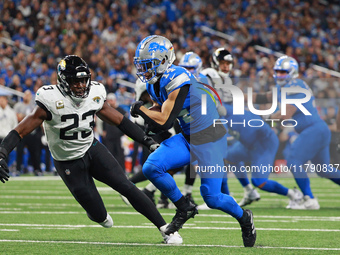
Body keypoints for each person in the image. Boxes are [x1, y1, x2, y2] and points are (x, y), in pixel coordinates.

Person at [0, 55, 182, 244]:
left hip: (92, 149)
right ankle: (97, 214)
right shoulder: (50, 100)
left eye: (83, 80)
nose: (80, 85)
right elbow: (20, 131)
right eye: (74, 81)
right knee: (100, 217)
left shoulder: (94, 93)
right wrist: (2, 153)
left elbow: (120, 121)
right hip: (67, 160)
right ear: (63, 82)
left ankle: (167, 230)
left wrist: (147, 141)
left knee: (127, 186)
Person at [131, 35, 256, 247]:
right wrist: (147, 112)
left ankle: (244, 218)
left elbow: (164, 120)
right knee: (152, 167)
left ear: (163, 61)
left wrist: (141, 111)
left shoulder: (178, 77)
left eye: (148, 65)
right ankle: (184, 206)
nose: (145, 70)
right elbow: (158, 110)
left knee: (212, 197)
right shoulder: (154, 83)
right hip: (188, 136)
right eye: (142, 65)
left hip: (210, 139)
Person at [250, 55, 340, 209]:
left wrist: (262, 116)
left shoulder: (295, 86)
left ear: (292, 72)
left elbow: (285, 115)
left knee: (293, 160)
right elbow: (265, 97)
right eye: (277, 71)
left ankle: (309, 199)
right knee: (325, 170)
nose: (279, 75)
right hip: (316, 129)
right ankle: (309, 198)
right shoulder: (284, 87)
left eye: (283, 72)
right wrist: (238, 97)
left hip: (314, 129)